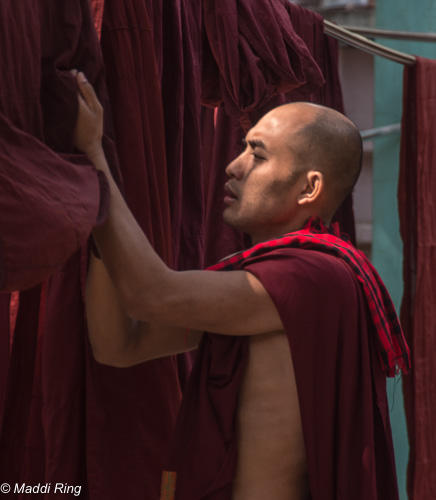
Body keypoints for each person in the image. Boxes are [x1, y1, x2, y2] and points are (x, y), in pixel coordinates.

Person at [72, 70, 409, 500]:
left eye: (258, 155)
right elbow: (121, 345)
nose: (233, 166)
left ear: (309, 188)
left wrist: (94, 157)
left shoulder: (312, 276)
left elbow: (151, 295)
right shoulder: (263, 284)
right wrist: (101, 221)